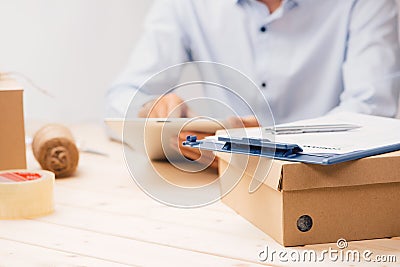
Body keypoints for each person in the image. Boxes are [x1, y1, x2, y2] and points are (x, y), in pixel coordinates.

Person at [106, 0, 400, 164]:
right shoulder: (187, 5)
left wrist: (256, 144)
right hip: (223, 186)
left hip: (329, 184)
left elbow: (370, 113)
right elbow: (121, 97)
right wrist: (153, 113)